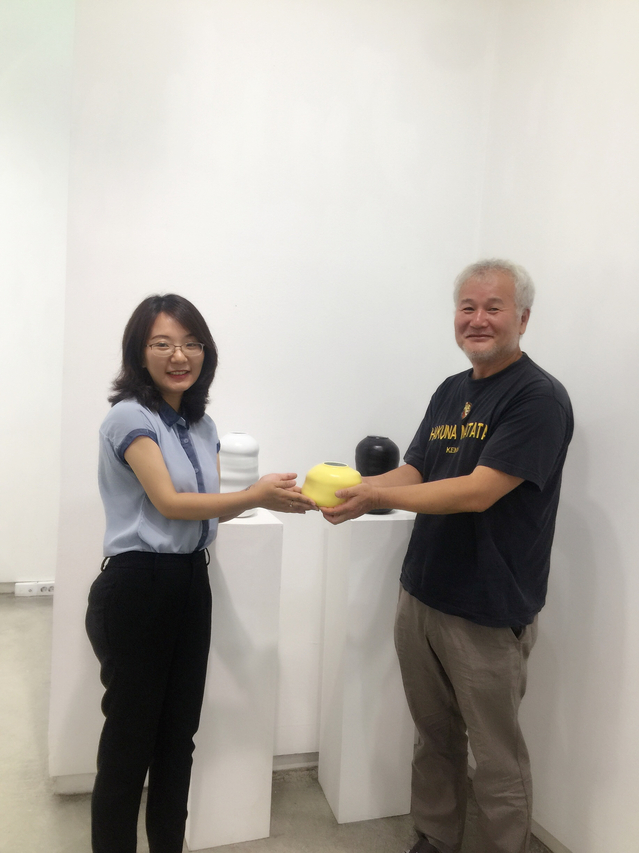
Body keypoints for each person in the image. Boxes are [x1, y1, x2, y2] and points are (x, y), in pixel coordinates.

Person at [322, 260, 573, 853]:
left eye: (493, 307)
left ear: (523, 319)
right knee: (432, 736)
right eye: (467, 307)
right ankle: (435, 838)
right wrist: (360, 490)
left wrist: (376, 496)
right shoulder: (451, 389)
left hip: (488, 608)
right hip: (423, 592)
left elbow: (479, 491)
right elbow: (417, 469)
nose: (478, 319)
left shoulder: (538, 397)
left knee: (497, 759)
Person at [85, 294, 316, 853]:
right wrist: (253, 495)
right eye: (162, 344)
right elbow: (169, 502)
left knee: (178, 739)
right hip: (136, 586)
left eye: (191, 344)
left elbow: (206, 509)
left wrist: (269, 499)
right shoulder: (129, 417)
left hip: (191, 581)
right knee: (128, 746)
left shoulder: (201, 424)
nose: (179, 356)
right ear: (139, 353)